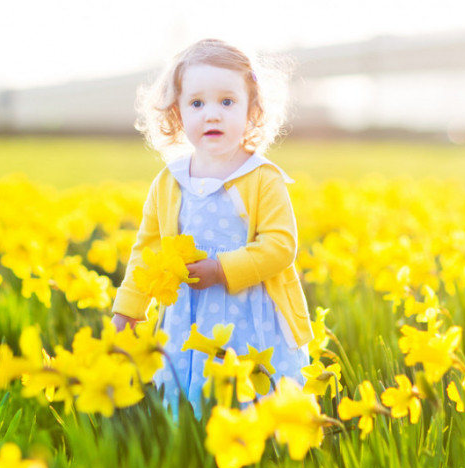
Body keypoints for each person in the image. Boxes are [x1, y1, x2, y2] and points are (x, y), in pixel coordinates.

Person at [111, 38, 314, 413]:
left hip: (249, 313)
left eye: (227, 101)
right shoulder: (169, 182)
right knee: (188, 404)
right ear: (177, 114)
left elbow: (281, 247)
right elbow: (148, 251)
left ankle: (259, 451)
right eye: (197, 103)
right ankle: (194, 453)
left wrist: (222, 270)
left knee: (251, 398)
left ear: (253, 110)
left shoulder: (262, 178)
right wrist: (128, 308)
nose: (212, 114)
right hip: (185, 313)